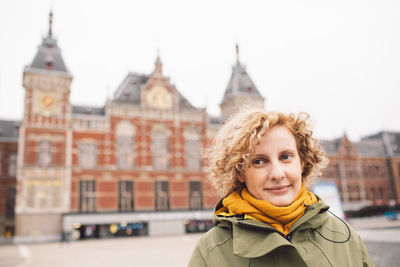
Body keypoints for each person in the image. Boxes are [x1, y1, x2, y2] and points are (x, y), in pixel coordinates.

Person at [188, 109, 374, 267]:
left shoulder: (345, 236)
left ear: (302, 162)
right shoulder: (211, 251)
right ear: (240, 172)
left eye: (286, 157)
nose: (277, 174)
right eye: (259, 161)